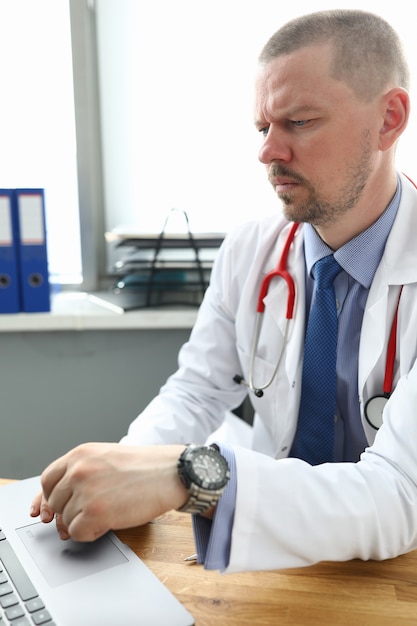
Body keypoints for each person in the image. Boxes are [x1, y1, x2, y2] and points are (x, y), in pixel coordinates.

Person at [31, 9, 417, 574]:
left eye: (300, 122)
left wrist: (190, 476)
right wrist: (124, 472)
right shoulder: (251, 250)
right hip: (268, 551)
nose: (267, 152)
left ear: (388, 119)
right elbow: (197, 391)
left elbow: (398, 493)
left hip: (392, 574)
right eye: (263, 128)